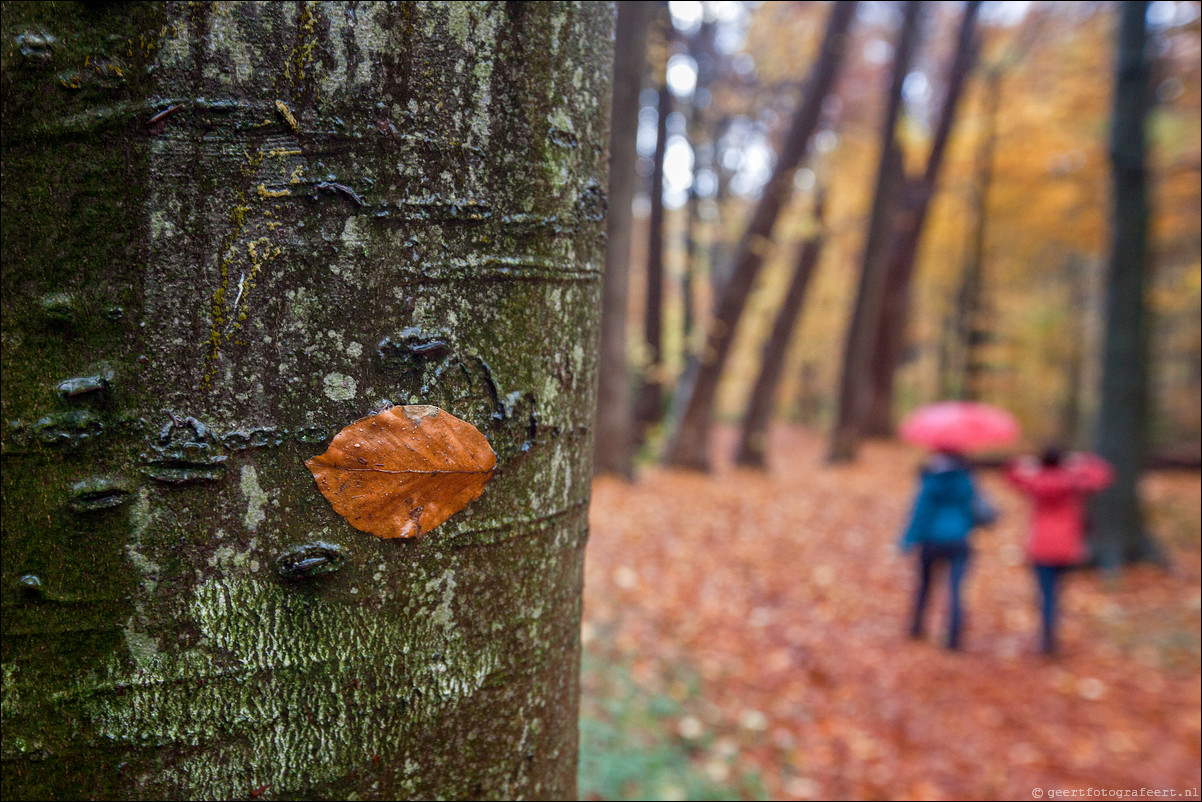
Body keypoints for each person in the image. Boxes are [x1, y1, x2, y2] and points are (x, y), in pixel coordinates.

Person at [1004, 447, 1114, 655]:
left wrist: (1023, 462)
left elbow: (1011, 475)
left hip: (1040, 548)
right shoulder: (1072, 482)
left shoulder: (1035, 481)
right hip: (1067, 549)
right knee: (1057, 593)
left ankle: (1047, 634)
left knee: (1046, 595)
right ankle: (1051, 632)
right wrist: (1084, 461)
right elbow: (1102, 476)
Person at [900, 449, 994, 650]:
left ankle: (917, 627)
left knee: (925, 586)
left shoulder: (931, 479)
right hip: (959, 540)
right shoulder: (967, 479)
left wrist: (908, 540)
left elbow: (920, 511)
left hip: (931, 541)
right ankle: (954, 638)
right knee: (956, 590)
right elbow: (976, 510)